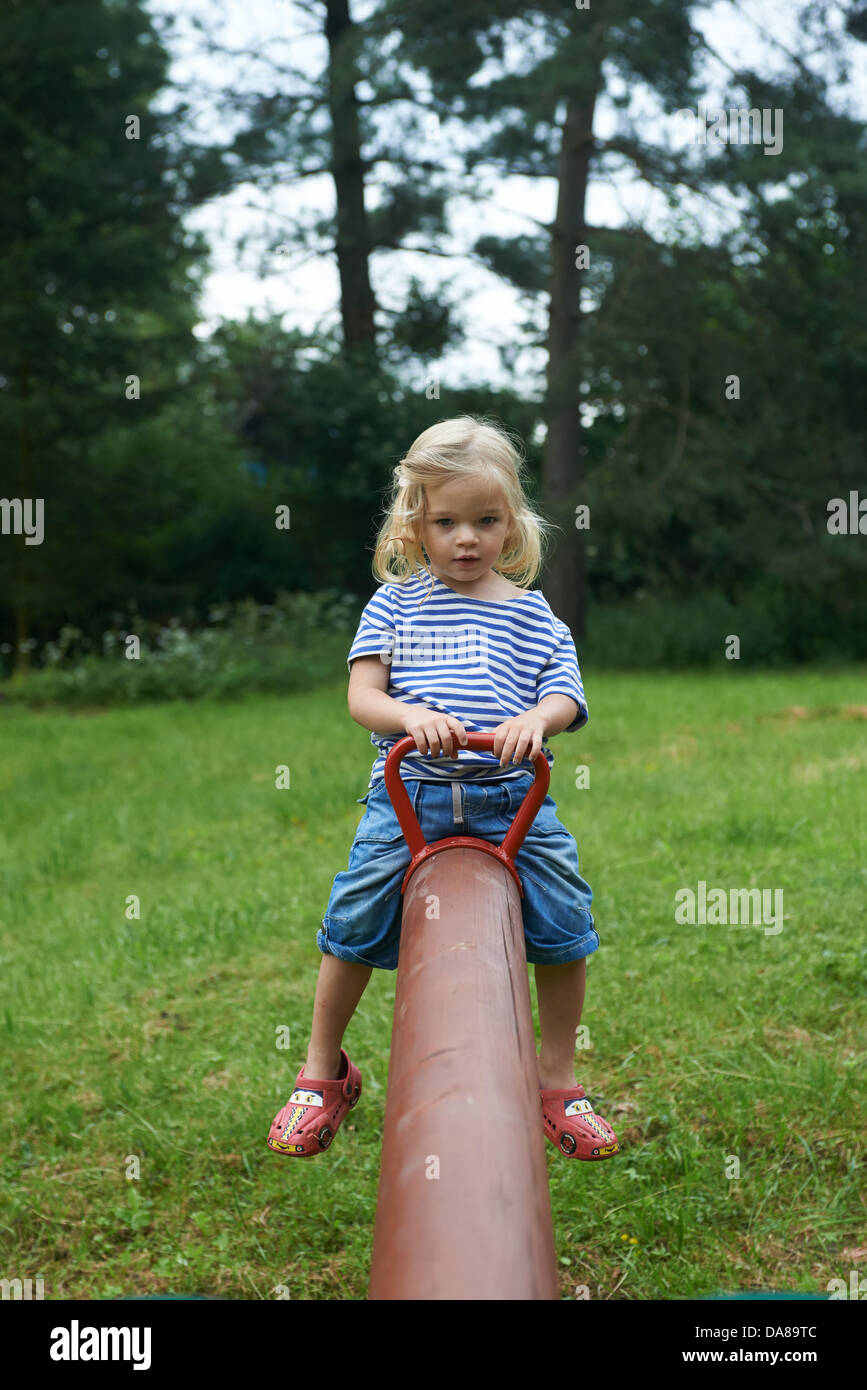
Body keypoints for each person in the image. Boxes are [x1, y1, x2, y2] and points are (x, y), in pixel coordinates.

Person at [267, 416, 620, 1162]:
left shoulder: (530, 613)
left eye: (485, 521)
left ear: (511, 525)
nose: (467, 538)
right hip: (410, 794)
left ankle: (556, 1080)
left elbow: (564, 695)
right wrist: (407, 714)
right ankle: (321, 1070)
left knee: (564, 919)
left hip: (511, 800)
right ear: (415, 527)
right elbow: (364, 697)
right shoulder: (395, 605)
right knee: (354, 914)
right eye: (447, 522)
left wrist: (535, 720)